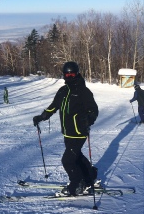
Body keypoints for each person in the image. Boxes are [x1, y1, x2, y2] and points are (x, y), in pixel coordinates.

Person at [33, 61, 99, 196]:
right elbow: (53, 106)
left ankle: (77, 184)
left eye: (72, 74)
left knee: (67, 160)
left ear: (77, 74)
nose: (69, 77)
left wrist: (89, 119)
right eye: (67, 74)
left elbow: (93, 110)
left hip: (79, 131)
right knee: (77, 156)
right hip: (68, 132)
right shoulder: (63, 91)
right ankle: (89, 177)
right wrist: (41, 117)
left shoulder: (83, 91)